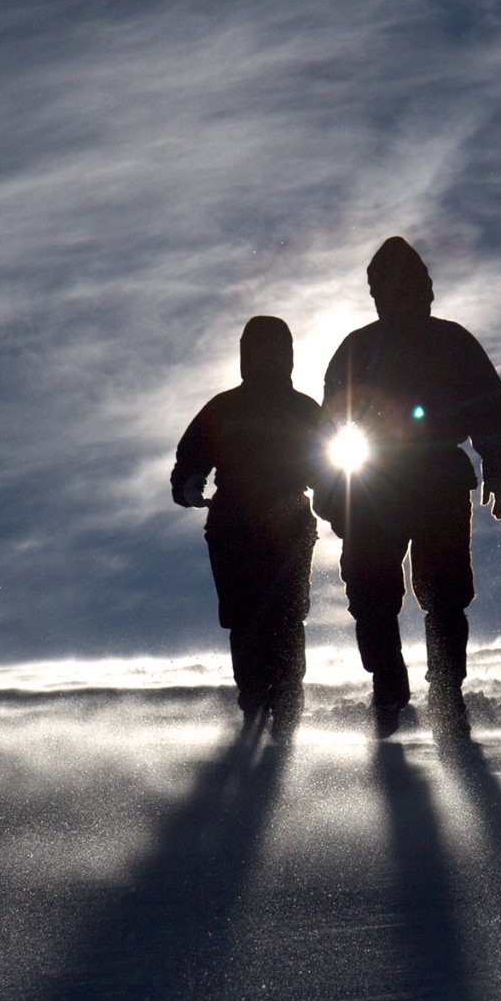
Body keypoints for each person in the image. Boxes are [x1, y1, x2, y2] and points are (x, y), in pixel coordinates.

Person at [320, 237, 501, 739]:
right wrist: (329, 491)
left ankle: (447, 692)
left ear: (425, 288)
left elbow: (489, 406)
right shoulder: (357, 349)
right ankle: (389, 688)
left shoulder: (453, 342)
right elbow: (325, 429)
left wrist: (498, 468)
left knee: (446, 593)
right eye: (387, 285)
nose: (400, 294)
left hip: (437, 481)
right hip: (371, 482)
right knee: (370, 593)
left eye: (410, 284)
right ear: (375, 292)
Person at [171, 316, 326, 737]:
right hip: (232, 526)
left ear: (290, 356)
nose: (270, 357)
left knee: (289, 615)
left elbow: (329, 467)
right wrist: (186, 483)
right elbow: (191, 456)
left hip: (291, 522)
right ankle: (254, 699)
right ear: (246, 355)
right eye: (261, 348)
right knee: (244, 618)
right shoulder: (224, 407)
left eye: (279, 349)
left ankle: (288, 703)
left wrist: (341, 503)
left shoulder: (305, 409)